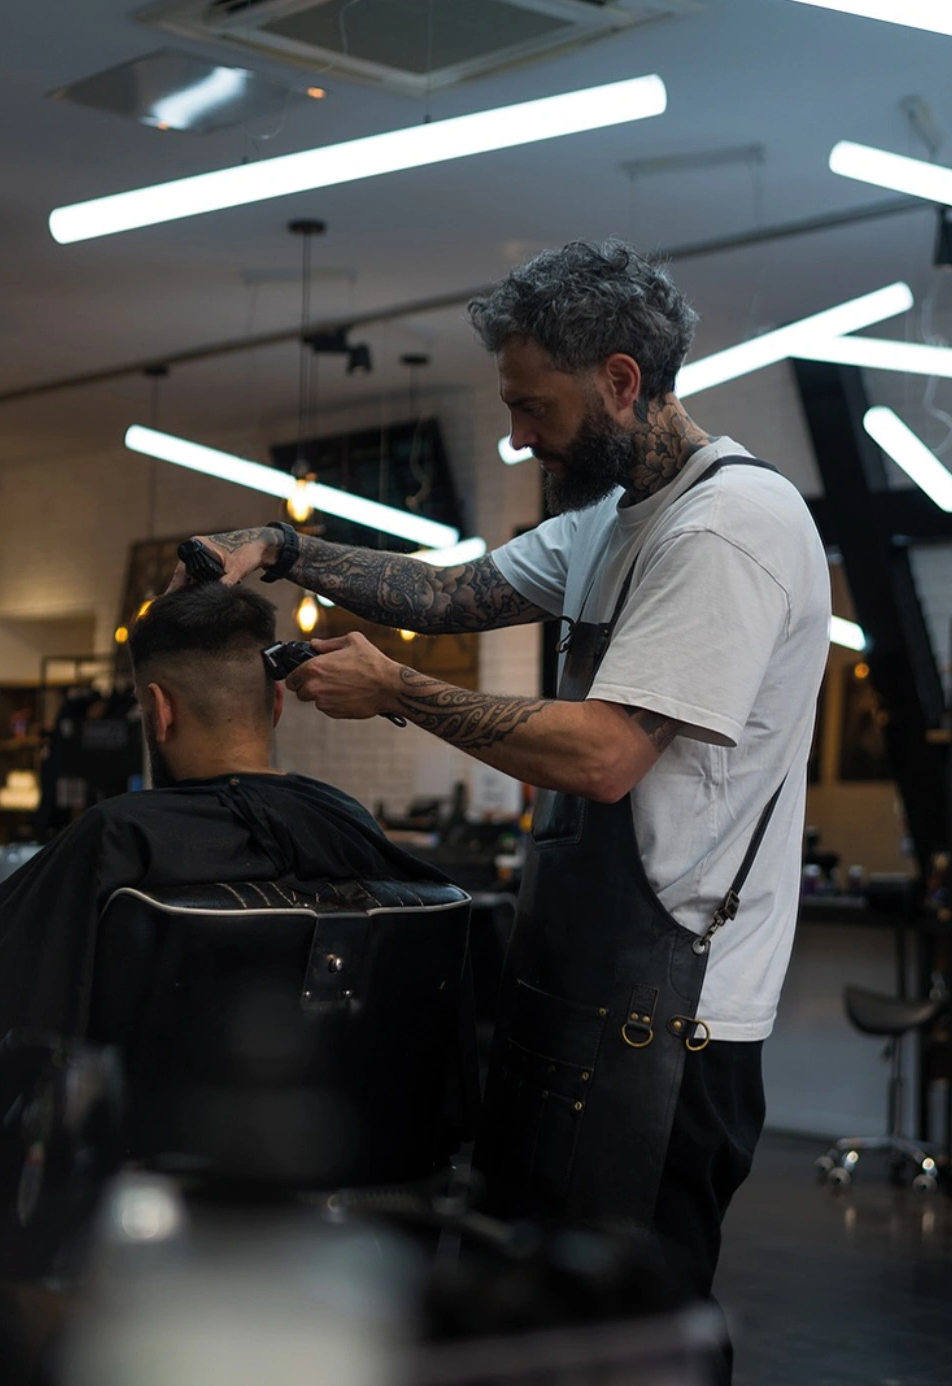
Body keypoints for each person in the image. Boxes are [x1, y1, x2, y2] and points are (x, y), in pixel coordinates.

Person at [171, 240, 830, 1382]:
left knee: (630, 1345)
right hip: (577, 988)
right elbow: (444, 591)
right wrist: (278, 548)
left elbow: (609, 755)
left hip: (672, 1029)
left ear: (621, 381)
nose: (517, 436)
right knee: (534, 1331)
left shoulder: (726, 530)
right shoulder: (611, 520)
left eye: (534, 407)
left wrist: (398, 692)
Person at [0, 582, 450, 1067]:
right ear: (278, 705)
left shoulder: (117, 838)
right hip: (352, 1148)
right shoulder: (347, 823)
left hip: (138, 1156)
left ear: (158, 710)